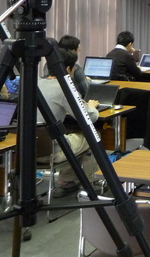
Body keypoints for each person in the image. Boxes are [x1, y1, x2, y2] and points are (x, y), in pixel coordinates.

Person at [37, 49, 100, 197]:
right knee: (92, 135)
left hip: (26, 150)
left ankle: (67, 181)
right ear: (68, 69)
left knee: (72, 135)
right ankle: (93, 182)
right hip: (50, 151)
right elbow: (89, 117)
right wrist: (92, 107)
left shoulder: (34, 84)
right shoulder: (65, 88)